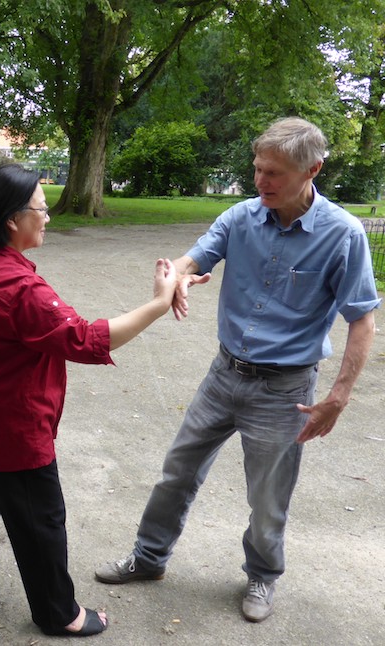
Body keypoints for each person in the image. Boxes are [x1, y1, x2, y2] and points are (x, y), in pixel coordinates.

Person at [94, 117, 380, 624]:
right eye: (257, 169)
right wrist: (174, 278)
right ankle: (150, 557)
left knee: (268, 498)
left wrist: (338, 396)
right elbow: (187, 260)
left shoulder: (341, 235)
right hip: (224, 374)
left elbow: (362, 322)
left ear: (312, 169)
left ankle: (263, 576)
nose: (261, 181)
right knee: (177, 471)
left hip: (285, 389)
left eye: (274, 172)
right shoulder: (241, 217)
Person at [0, 163, 178, 637]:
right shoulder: (17, 288)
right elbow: (88, 340)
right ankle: (59, 613)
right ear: (12, 220)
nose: (48, 215)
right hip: (14, 428)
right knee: (41, 521)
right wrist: (158, 303)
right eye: (40, 207)